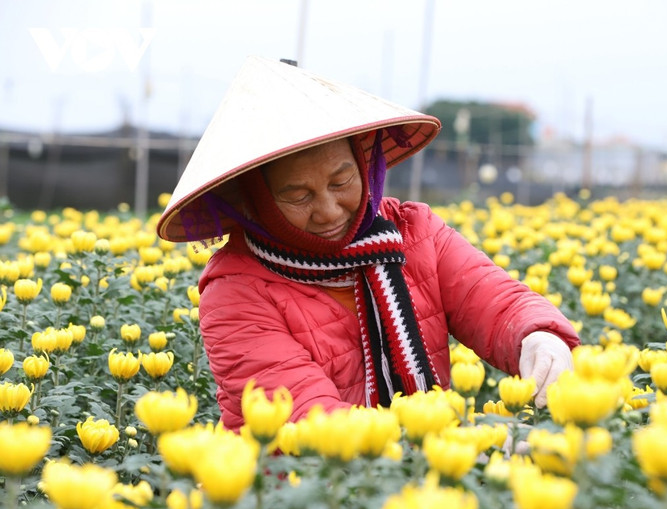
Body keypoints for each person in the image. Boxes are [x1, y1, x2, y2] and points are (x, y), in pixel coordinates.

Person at [157, 56, 580, 430]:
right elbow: (307, 419)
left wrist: (538, 337)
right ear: (255, 199)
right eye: (298, 196)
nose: (328, 210)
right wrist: (466, 446)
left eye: (341, 181)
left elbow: (495, 301)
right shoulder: (236, 291)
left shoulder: (412, 231)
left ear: (367, 166)